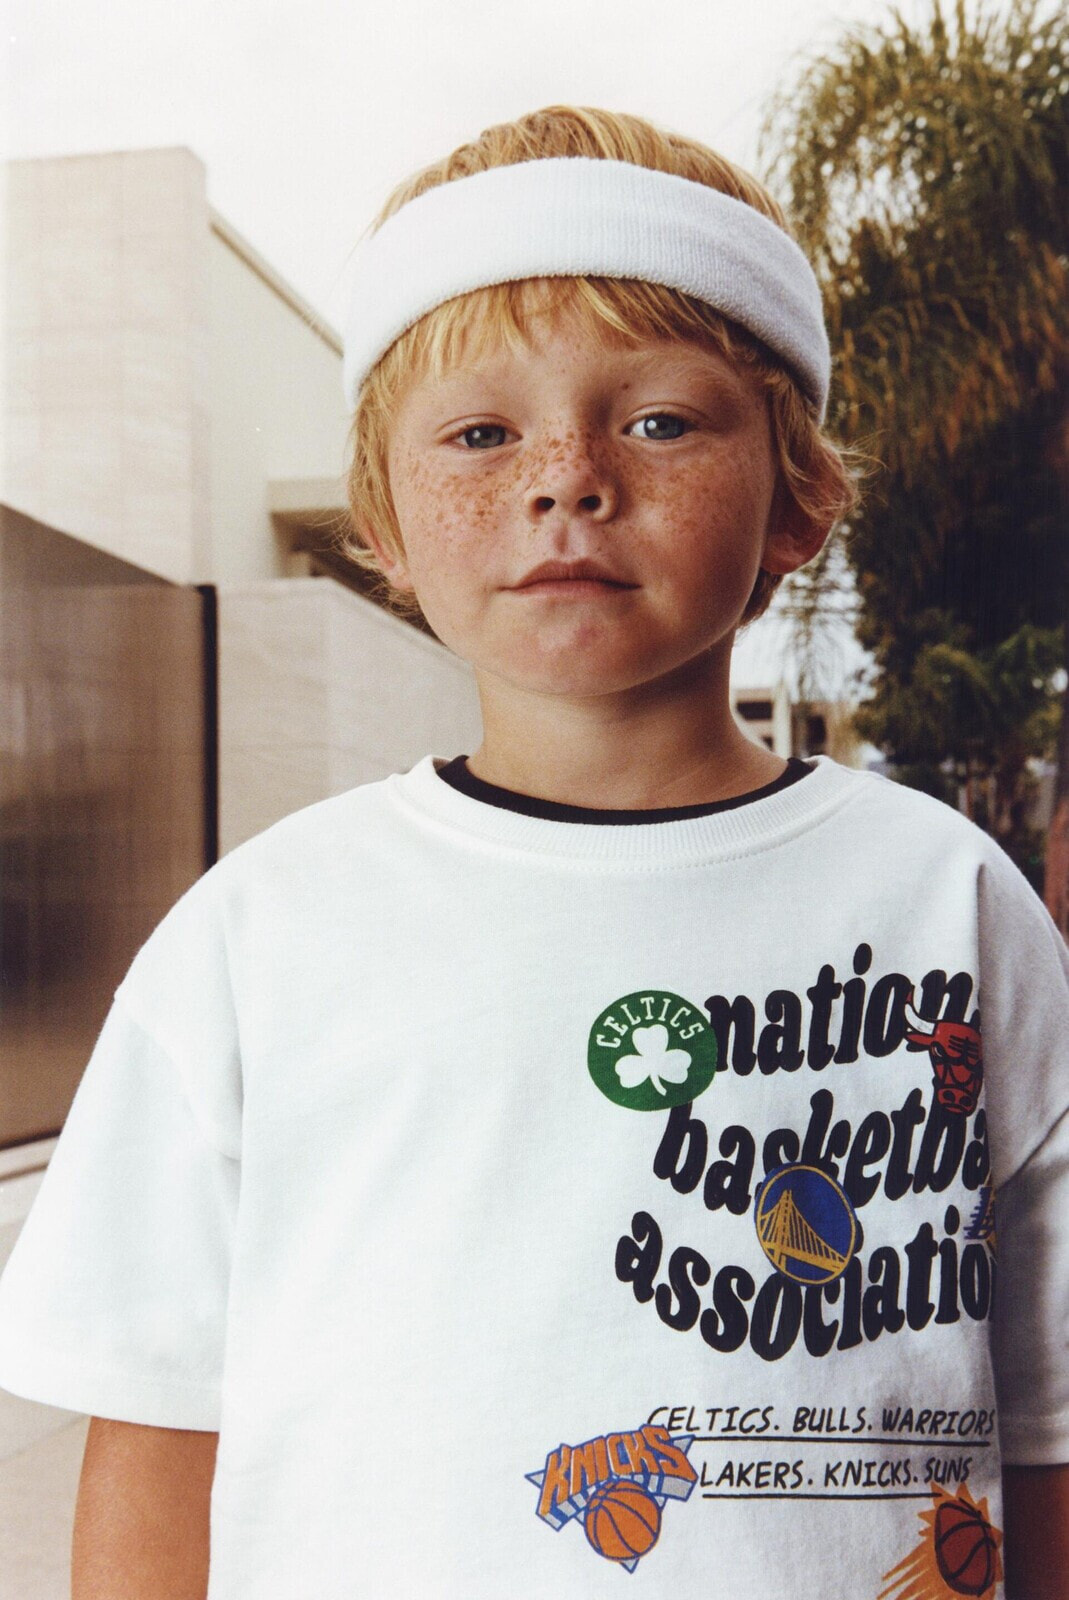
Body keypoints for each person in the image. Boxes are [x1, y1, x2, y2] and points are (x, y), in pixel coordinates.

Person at [0, 104, 1066, 1600]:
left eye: (658, 420)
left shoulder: (945, 899)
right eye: (481, 432)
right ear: (382, 513)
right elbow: (164, 1427)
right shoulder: (260, 934)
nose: (564, 477)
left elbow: (1047, 1420)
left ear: (796, 498)